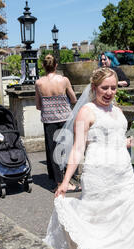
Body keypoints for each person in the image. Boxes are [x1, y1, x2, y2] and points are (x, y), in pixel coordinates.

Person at [44, 67, 134, 249]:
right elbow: (78, 148)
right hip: (98, 176)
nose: (109, 92)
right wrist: (65, 182)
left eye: (113, 88)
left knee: (127, 222)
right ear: (94, 88)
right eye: (104, 88)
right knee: (97, 219)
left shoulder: (118, 112)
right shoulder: (87, 112)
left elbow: (120, 142)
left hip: (123, 175)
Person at [34, 54, 79, 192]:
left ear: (43, 66)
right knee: (67, 149)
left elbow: (38, 105)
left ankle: (59, 182)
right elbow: (73, 99)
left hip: (49, 120)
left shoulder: (39, 83)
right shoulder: (64, 80)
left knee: (53, 151)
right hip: (65, 118)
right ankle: (69, 180)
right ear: (56, 65)